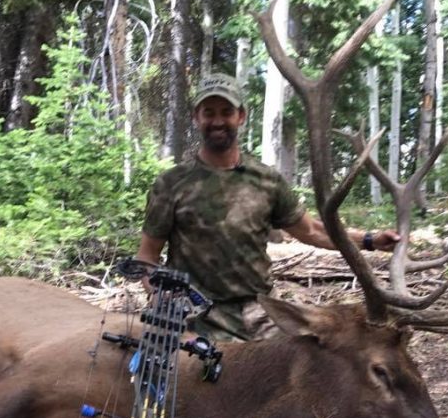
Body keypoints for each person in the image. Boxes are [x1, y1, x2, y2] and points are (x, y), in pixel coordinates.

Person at [135, 72, 399, 341]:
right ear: (197, 117)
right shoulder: (172, 183)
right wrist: (159, 297)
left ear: (241, 117)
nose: (217, 121)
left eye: (226, 112)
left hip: (260, 313)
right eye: (208, 112)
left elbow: (311, 231)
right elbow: (147, 258)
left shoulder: (266, 180)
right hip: (195, 314)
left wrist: (369, 240)